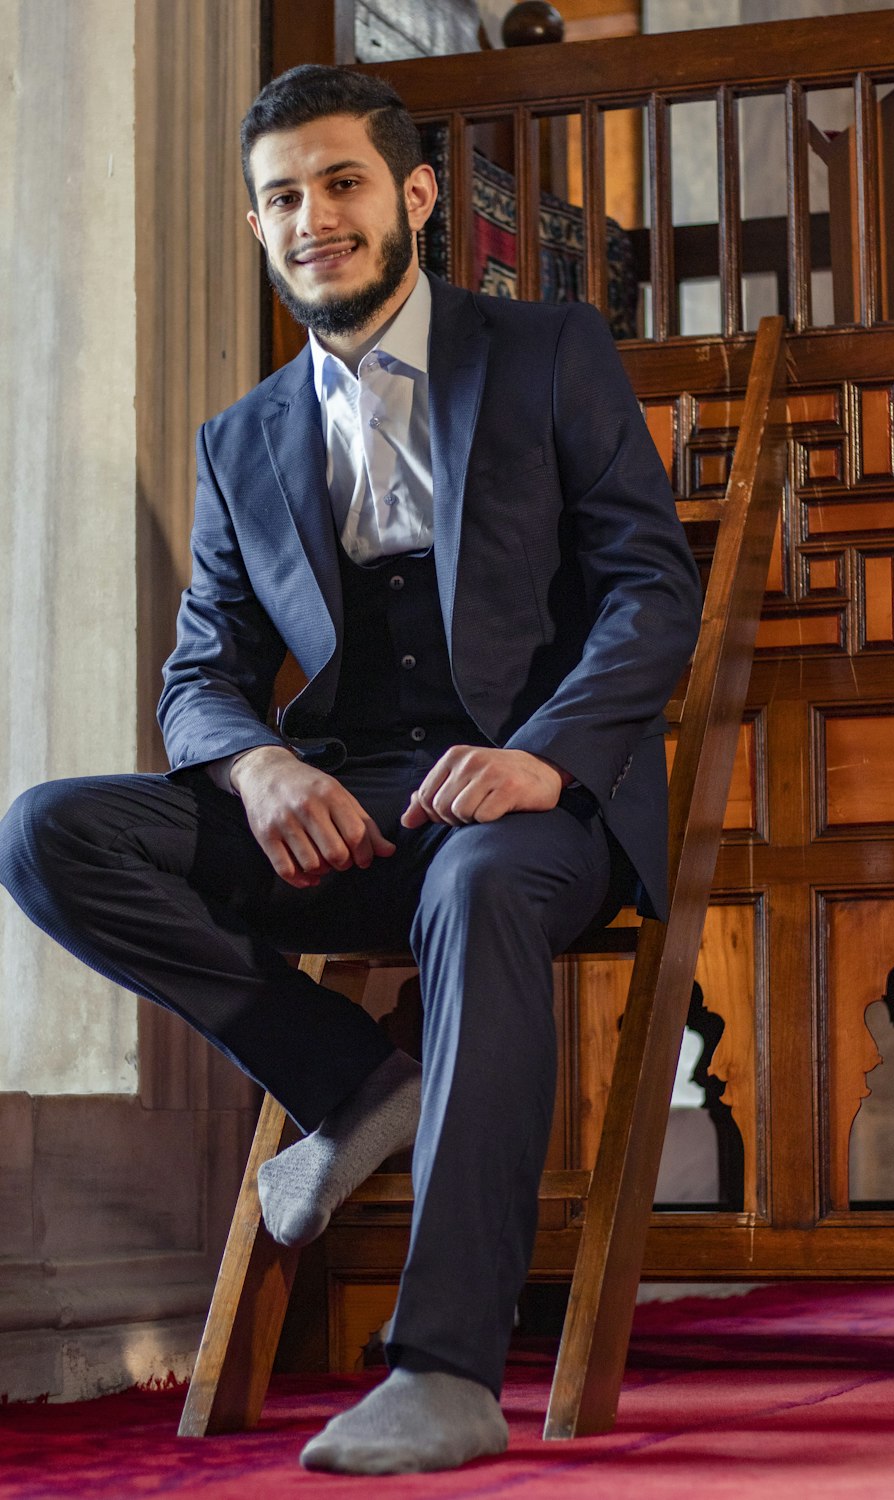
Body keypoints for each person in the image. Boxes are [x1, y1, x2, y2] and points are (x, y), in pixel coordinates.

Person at [0, 65, 701, 1474]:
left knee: (484, 890)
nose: (311, 218)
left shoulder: (549, 349)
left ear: (414, 199)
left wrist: (539, 760)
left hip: (530, 806)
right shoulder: (244, 437)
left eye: (340, 184)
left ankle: (444, 1370)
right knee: (48, 833)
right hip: (344, 801)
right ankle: (351, 1085)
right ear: (257, 228)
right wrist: (257, 766)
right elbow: (201, 675)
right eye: (280, 198)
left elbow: (649, 593)